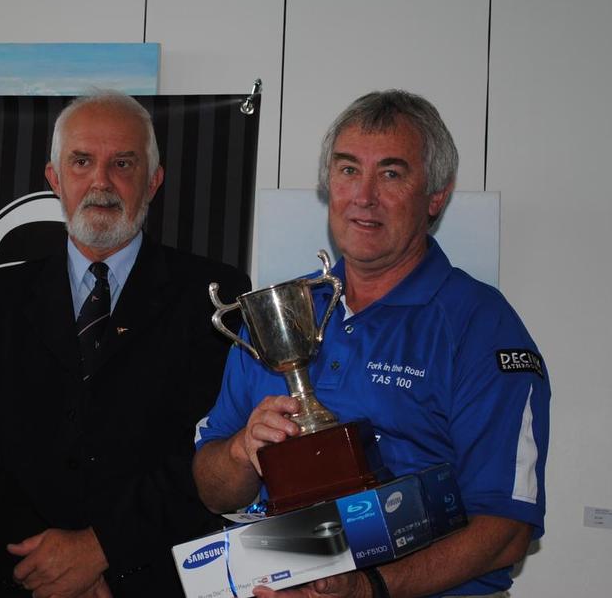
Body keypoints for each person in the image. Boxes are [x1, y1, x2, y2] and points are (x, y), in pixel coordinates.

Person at [193, 90, 549, 598]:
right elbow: (210, 488)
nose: (364, 196)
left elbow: (506, 529)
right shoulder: (281, 313)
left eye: (391, 173)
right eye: (346, 170)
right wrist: (241, 451)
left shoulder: (480, 325)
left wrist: (368, 589)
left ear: (436, 196)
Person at [0, 91, 250, 598]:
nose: (101, 181)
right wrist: (41, 567)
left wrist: (101, 550)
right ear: (55, 178)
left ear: (154, 180)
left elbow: (216, 452)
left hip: (160, 582)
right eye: (82, 161)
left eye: (122, 162)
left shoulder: (215, 296)